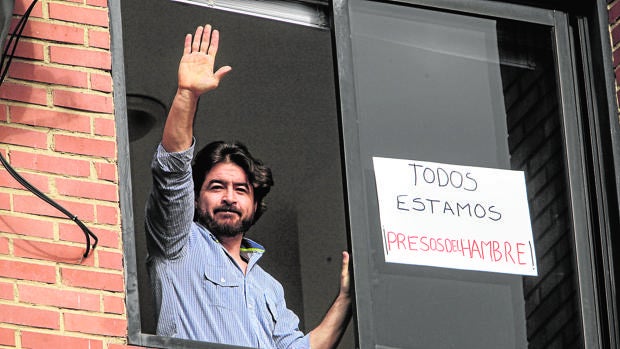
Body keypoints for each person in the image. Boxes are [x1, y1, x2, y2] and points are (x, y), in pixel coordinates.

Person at [145, 24, 352, 348]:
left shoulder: (268, 287)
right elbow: (172, 172)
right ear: (196, 198)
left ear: (255, 204)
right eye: (216, 187)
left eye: (241, 190)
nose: (229, 197)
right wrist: (188, 94)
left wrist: (347, 299)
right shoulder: (178, 244)